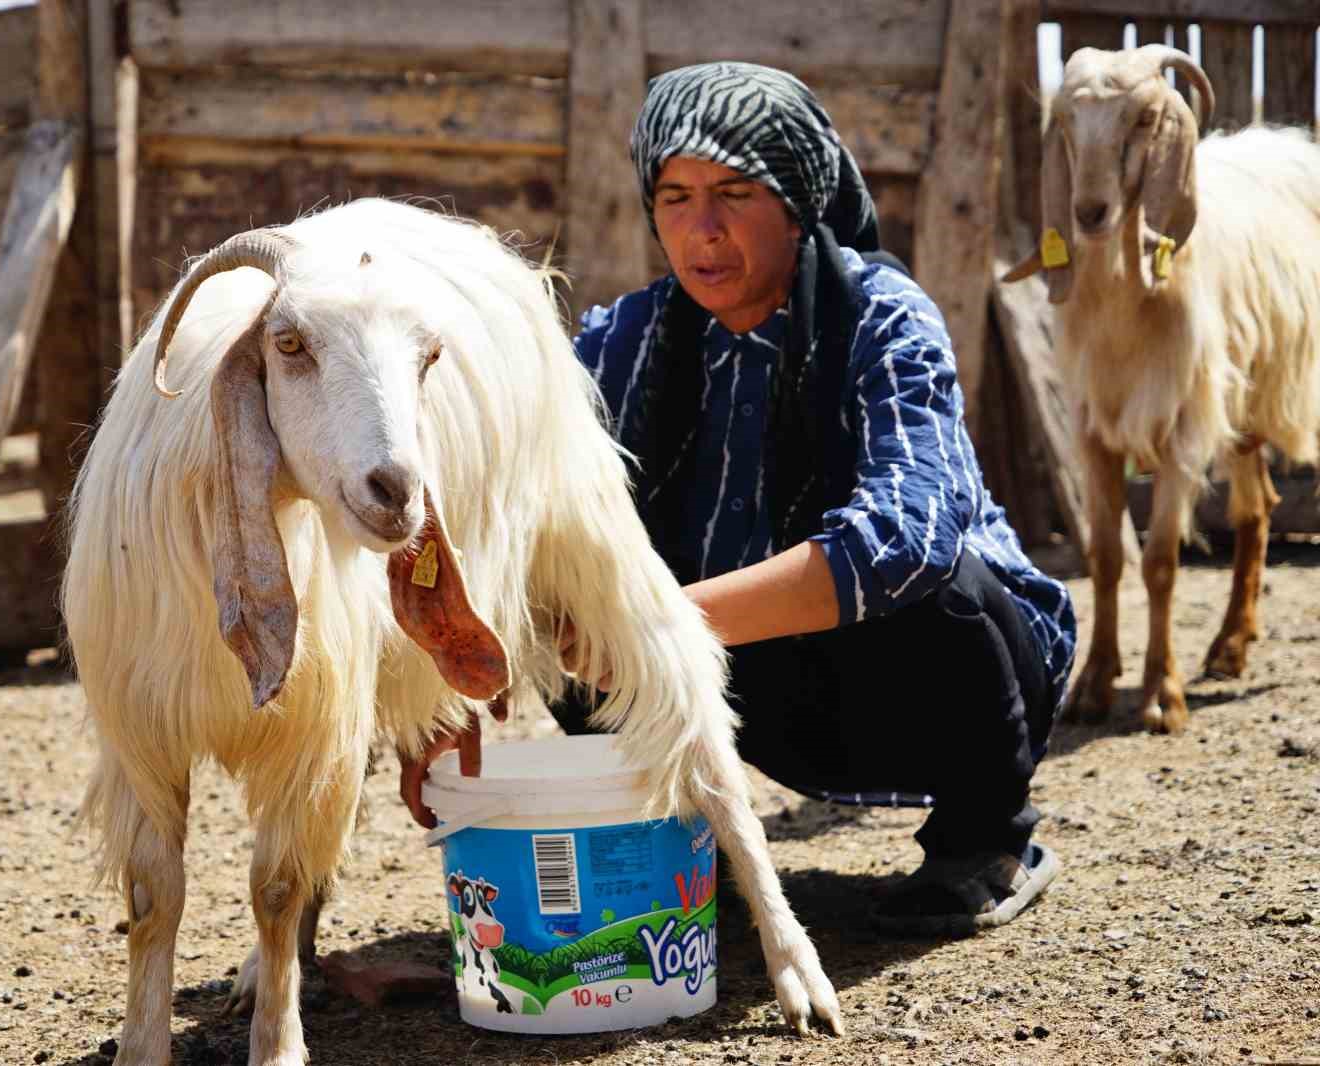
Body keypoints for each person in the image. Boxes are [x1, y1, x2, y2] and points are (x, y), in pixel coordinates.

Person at [404, 61, 1077, 937]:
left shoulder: (879, 316)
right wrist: (447, 690)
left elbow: (908, 533)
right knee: (579, 584)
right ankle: (689, 841)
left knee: (947, 583)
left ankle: (986, 841)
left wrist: (663, 628)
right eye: (676, 198)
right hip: (747, 674)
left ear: (795, 202)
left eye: (735, 192)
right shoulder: (626, 340)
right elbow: (517, 513)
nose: (704, 229)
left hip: (932, 678)